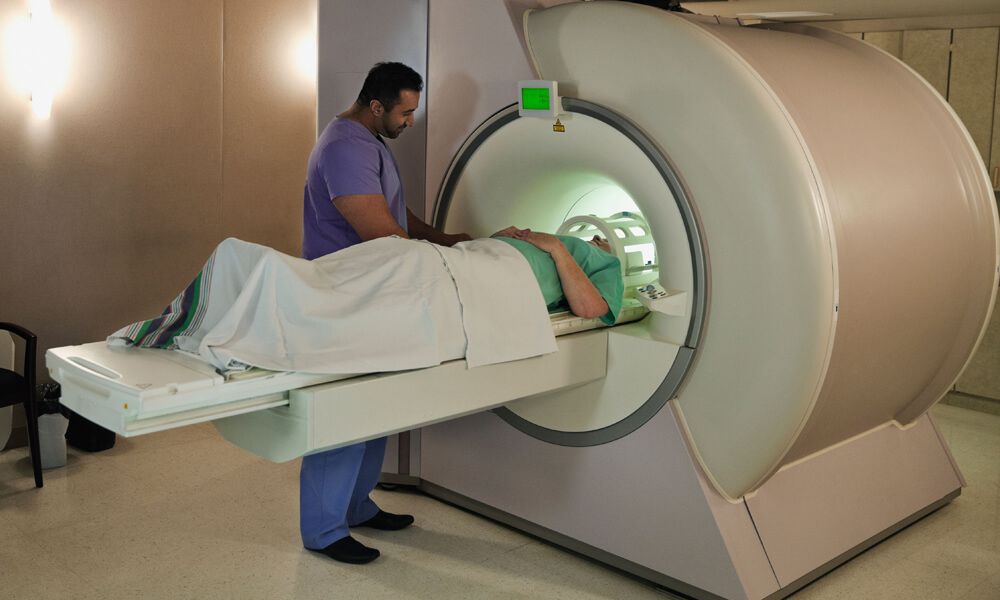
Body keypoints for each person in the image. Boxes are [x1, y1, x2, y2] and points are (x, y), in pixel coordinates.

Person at [300, 61, 470, 565]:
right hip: (347, 296)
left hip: (375, 294)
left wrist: (446, 241)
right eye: (405, 112)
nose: (410, 122)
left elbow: (396, 217)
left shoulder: (368, 142)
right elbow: (380, 232)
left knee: (377, 408)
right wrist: (440, 263)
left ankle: (355, 506)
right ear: (377, 106)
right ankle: (324, 531)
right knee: (344, 413)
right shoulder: (344, 147)